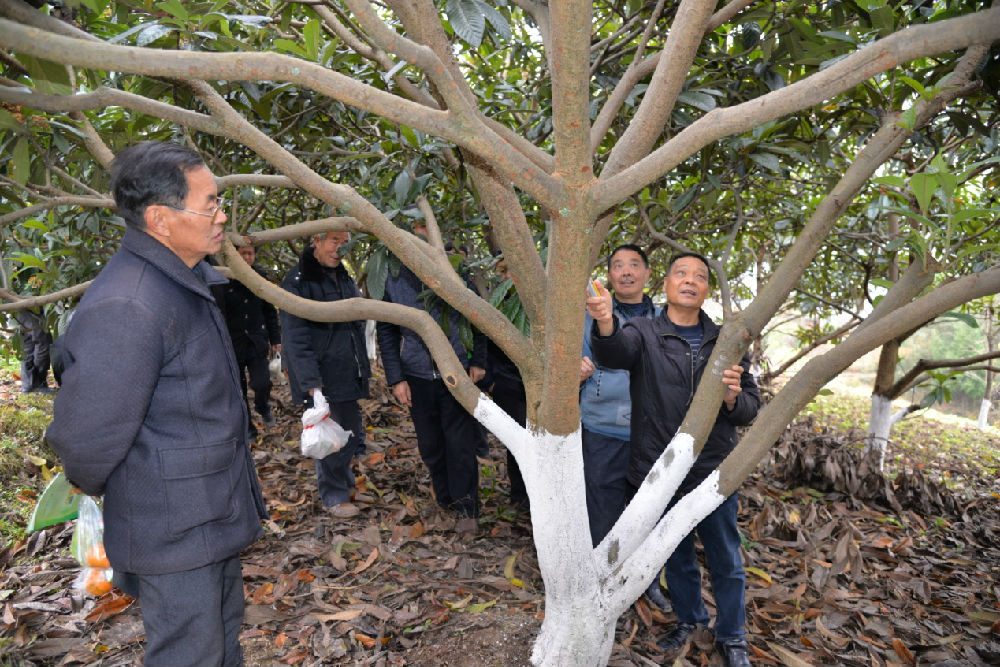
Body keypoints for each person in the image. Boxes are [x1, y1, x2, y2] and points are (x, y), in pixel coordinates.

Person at [45, 141, 267, 667]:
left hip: (209, 512)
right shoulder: (130, 302)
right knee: (190, 654)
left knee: (220, 642)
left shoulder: (182, 280)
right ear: (160, 219)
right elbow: (86, 436)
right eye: (209, 203)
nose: (221, 215)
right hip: (174, 526)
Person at [587, 252, 761, 667]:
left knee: (725, 556)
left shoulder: (727, 340)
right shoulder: (643, 331)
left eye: (699, 276)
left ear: (706, 291)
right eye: (681, 273)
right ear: (664, 284)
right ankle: (689, 620)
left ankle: (732, 635)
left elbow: (751, 409)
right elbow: (613, 353)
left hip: (711, 469)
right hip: (659, 468)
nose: (690, 280)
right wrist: (605, 320)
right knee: (676, 553)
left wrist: (734, 397)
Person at [377, 233, 488, 525]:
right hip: (417, 375)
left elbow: (479, 317)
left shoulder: (454, 273)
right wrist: (396, 378)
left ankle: (467, 509)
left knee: (460, 444)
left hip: (456, 374)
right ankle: (446, 500)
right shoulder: (394, 279)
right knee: (431, 444)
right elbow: (387, 331)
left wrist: (478, 360)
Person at [280, 230, 370, 517]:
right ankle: (334, 495)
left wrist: (362, 366)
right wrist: (311, 384)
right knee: (329, 438)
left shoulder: (343, 276)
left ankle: (345, 483)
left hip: (347, 369)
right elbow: (295, 337)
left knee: (350, 433)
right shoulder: (298, 281)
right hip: (322, 374)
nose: (339, 248)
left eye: (345, 242)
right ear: (315, 241)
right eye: (333, 241)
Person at [579, 244, 658, 548]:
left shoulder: (663, 319)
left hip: (651, 432)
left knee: (646, 512)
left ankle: (644, 581)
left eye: (634, 264)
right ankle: (600, 578)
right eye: (618, 266)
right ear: (610, 276)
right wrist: (577, 372)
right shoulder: (589, 320)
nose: (626, 271)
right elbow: (571, 368)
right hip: (601, 429)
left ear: (647, 273)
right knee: (601, 510)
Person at [223, 243, 281, 437]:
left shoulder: (260, 277)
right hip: (234, 343)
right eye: (243, 254)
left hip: (257, 341)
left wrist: (275, 338)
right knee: (238, 388)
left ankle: (262, 407)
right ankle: (248, 427)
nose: (247, 258)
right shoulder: (224, 278)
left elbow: (269, 311)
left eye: (251, 254)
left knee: (262, 383)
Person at [15, 307, 53, 394]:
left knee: (28, 342)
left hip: (20, 304)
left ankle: (29, 385)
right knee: (43, 340)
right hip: (27, 302)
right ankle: (37, 384)